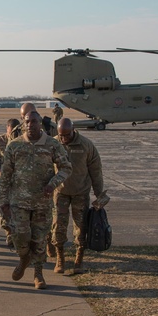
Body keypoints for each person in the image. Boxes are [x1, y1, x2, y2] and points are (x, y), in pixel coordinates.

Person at [0, 111, 72, 289]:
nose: (30, 125)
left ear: (40, 123)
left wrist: (53, 183)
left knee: (39, 240)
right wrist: (3, 202)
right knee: (20, 237)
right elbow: (6, 175)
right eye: (27, 122)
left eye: (34, 121)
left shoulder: (52, 144)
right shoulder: (14, 146)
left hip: (42, 203)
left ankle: (38, 274)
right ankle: (24, 258)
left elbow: (66, 167)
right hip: (19, 203)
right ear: (23, 124)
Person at [53, 118, 108, 275]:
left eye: (67, 135)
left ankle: (79, 260)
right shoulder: (54, 144)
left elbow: (96, 171)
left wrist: (99, 194)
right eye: (61, 135)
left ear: (73, 130)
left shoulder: (86, 145)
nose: (64, 139)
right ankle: (60, 259)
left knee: (81, 227)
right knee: (58, 226)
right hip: (60, 193)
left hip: (81, 193)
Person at [0, 118, 21, 248]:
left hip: (18, 180)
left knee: (18, 206)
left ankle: (18, 233)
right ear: (7, 128)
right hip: (2, 181)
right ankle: (9, 232)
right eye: (11, 129)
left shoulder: (22, 141)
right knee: (3, 205)